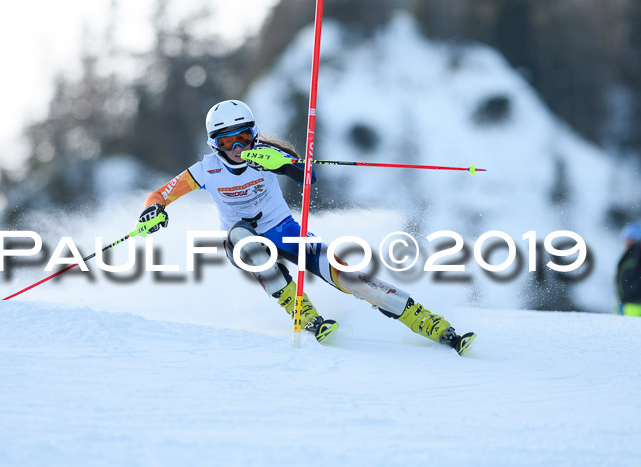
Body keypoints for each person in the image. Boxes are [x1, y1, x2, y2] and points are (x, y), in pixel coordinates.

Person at [138, 99, 475, 354]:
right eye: (227, 142)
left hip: (286, 230)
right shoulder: (206, 170)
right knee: (243, 238)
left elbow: (309, 176)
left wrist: (284, 164)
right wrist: (153, 211)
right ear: (215, 144)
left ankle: (433, 325)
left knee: (350, 278)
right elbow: (159, 195)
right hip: (242, 239)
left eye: (243, 136)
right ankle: (303, 313)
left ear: (253, 133)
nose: (238, 148)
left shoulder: (267, 154)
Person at [616, 223, 641, 316]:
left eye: (628, 238)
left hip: (636, 305)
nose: (625, 242)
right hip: (626, 303)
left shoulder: (637, 252)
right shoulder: (629, 255)